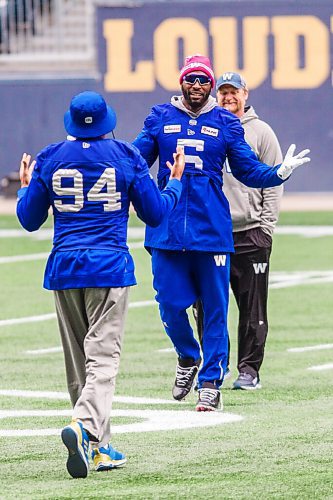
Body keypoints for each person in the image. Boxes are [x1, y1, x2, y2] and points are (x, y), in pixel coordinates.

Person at [16, 91, 185, 479]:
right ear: (108, 120)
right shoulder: (125, 156)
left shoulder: (50, 156)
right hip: (108, 267)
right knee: (103, 361)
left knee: (79, 364)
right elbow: (155, 213)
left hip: (64, 269)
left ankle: (98, 447)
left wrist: (26, 187)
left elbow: (28, 219)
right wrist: (174, 183)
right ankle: (86, 427)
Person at [133, 54, 310, 412]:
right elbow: (136, 161)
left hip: (212, 229)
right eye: (190, 80)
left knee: (215, 309)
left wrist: (278, 173)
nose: (196, 86)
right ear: (181, 82)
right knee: (169, 305)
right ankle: (187, 357)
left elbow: (248, 170)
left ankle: (211, 382)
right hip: (166, 229)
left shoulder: (227, 123)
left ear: (210, 85)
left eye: (202, 80)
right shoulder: (159, 117)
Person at [194, 71, 283, 390]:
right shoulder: (209, 128)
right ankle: (216, 366)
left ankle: (249, 370)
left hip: (250, 232)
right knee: (207, 305)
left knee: (252, 307)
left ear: (246, 94)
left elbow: (274, 181)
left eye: (235, 91)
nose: (229, 97)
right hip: (212, 234)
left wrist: (266, 227)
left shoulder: (261, 132)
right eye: (223, 92)